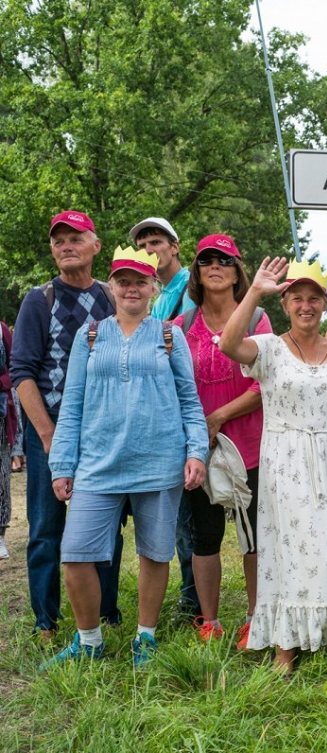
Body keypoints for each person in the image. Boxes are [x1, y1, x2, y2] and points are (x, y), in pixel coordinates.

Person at [44, 245, 208, 668]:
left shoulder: (169, 335)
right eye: (124, 281)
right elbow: (73, 403)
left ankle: (146, 637)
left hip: (160, 462)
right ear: (111, 286)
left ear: (154, 287)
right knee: (76, 555)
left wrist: (196, 452)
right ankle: (89, 640)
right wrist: (62, 464)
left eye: (141, 281)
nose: (132, 288)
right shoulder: (91, 334)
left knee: (155, 553)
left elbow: (190, 401)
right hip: (98, 463)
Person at [218, 257, 327, 674]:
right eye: (297, 298)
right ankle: (285, 645)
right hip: (285, 461)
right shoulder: (268, 348)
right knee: (287, 550)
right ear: (285, 303)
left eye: (314, 299)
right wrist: (254, 293)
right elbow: (229, 344)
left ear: (325, 304)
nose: (306, 306)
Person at [12, 210, 124, 640]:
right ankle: (46, 619)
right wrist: (46, 434)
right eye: (59, 241)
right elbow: (22, 372)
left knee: (106, 524)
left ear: (96, 246)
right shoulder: (40, 300)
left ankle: (107, 612)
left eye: (75, 238)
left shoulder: (110, 297)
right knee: (45, 527)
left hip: (103, 434)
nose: (66, 246)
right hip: (51, 430)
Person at [174, 234, 271, 647]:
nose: (215, 266)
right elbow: (176, 387)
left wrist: (219, 416)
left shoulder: (255, 320)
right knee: (204, 535)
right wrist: (200, 428)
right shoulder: (180, 326)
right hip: (200, 448)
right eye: (206, 260)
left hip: (248, 441)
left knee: (253, 536)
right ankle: (209, 622)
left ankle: (255, 617)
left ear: (237, 272)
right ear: (196, 272)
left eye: (224, 260)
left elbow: (265, 383)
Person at [130, 216, 199, 620]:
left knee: (189, 515)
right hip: (166, 409)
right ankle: (189, 593)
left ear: (175, 246)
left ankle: (193, 601)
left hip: (194, 405)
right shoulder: (155, 296)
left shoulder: (192, 286)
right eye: (142, 245)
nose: (149, 250)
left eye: (155, 242)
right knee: (179, 513)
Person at [0, 320, 14, 559]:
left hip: (0, 414)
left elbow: (17, 368)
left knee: (1, 476)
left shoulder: (2, 331)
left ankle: (0, 536)